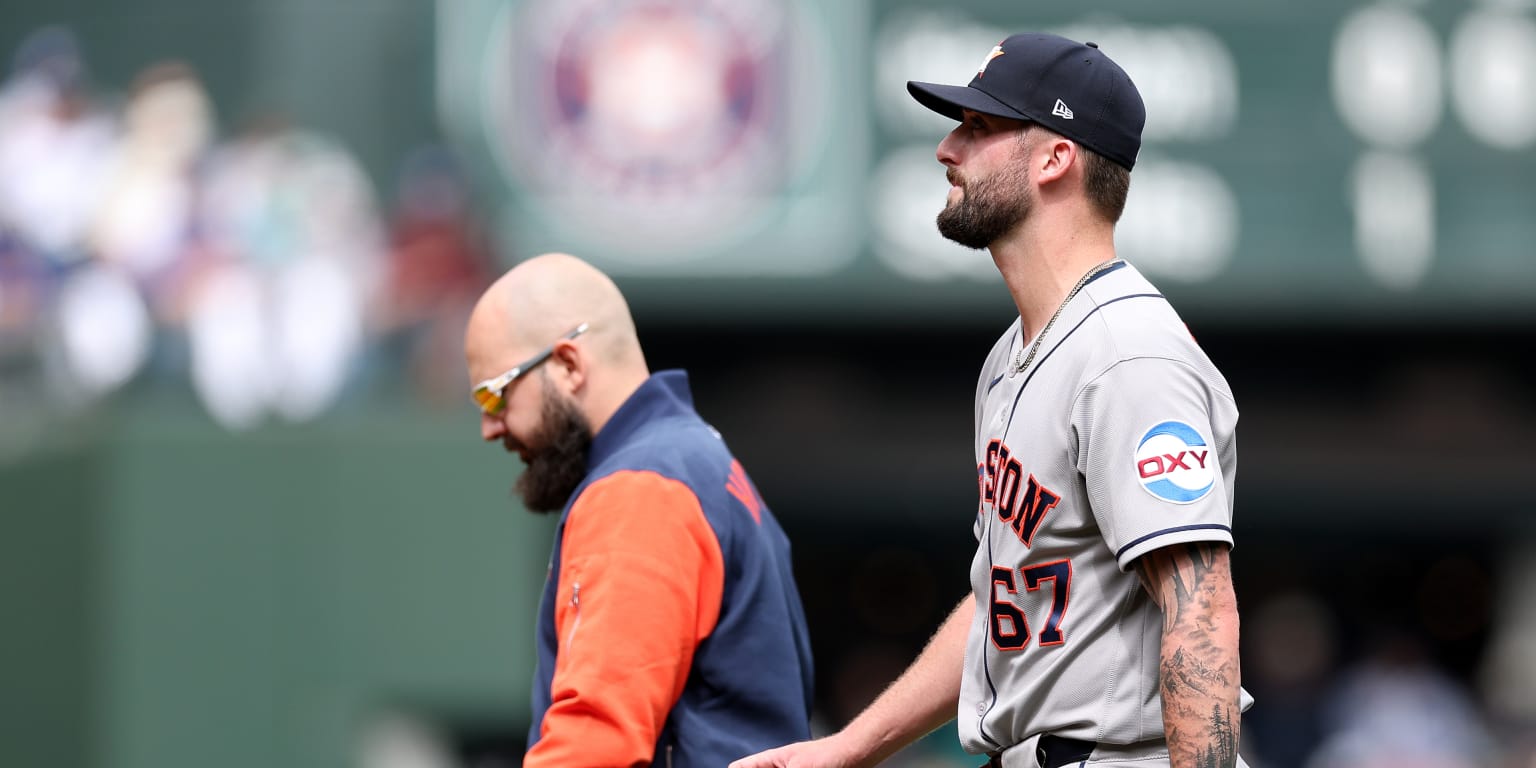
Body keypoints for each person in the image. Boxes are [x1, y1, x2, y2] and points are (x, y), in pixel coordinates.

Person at [733, 33, 1250, 768]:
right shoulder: (1010, 357)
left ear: (1053, 158)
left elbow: (1200, 609)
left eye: (979, 127)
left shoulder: (1129, 354)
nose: (948, 148)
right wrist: (847, 748)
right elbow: (1000, 604)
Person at [463, 252, 815, 767]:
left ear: (567, 365)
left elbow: (596, 745)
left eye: (494, 397)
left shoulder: (640, 487)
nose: (490, 428)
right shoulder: (693, 461)